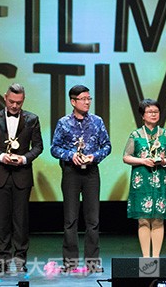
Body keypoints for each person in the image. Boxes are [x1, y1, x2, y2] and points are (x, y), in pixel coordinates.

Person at [0, 83, 43, 274]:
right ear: (5, 98)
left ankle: (20, 259)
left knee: (21, 220)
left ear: (23, 100)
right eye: (12, 101)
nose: (15, 106)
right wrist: (1, 156)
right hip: (0, 174)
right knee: (2, 220)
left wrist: (24, 159)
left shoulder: (32, 119)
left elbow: (38, 146)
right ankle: (3, 260)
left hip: (22, 175)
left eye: (19, 102)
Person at [50, 85, 112, 273]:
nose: (87, 102)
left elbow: (107, 146)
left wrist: (94, 156)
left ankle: (92, 262)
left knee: (93, 219)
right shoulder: (63, 123)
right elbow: (54, 148)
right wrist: (71, 155)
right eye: (83, 99)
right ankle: (70, 263)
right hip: (71, 172)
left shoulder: (97, 121)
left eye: (88, 98)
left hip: (91, 172)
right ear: (73, 101)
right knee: (70, 219)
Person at [122, 98, 166, 258]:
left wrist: (164, 161)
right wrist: (142, 161)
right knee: (143, 220)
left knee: (158, 219)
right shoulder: (135, 135)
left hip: (160, 180)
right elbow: (126, 157)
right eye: (149, 112)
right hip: (141, 181)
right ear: (142, 115)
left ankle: (156, 258)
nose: (153, 114)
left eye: (156, 111)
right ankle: (146, 259)